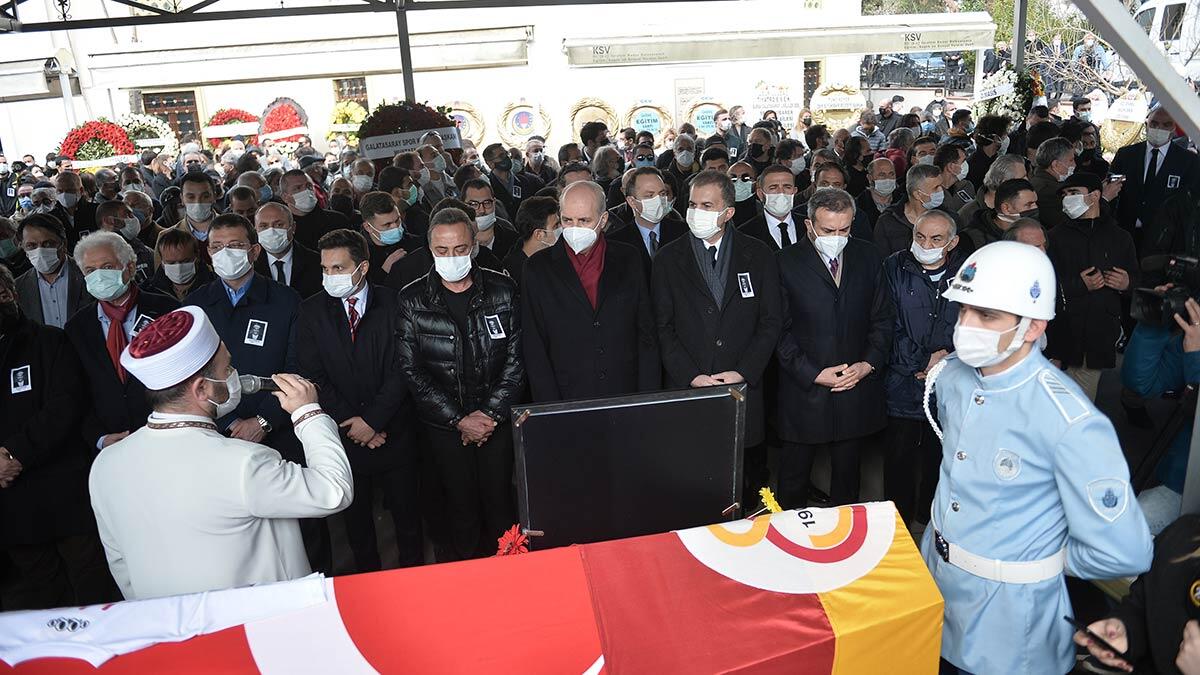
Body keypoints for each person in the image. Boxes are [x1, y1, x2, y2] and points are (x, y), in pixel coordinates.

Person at [921, 240, 1153, 675]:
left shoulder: (1069, 421)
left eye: (987, 315)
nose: (967, 325)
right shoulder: (953, 377)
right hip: (936, 590)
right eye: (964, 311)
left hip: (1009, 625)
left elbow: (1127, 552)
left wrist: (1043, 557)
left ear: (1032, 326)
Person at [89, 306, 352, 600]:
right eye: (227, 369)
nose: (235, 375)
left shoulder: (106, 464)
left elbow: (121, 562)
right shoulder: (244, 462)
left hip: (169, 627)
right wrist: (308, 412)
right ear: (201, 389)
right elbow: (334, 490)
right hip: (255, 626)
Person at [395, 208, 522, 561]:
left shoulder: (503, 289)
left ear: (474, 246)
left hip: (494, 423)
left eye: (460, 249)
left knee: (501, 504)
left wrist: (489, 415)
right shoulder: (412, 299)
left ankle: (511, 574)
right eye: (442, 251)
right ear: (430, 248)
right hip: (444, 428)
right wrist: (459, 419)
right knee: (458, 508)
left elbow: (516, 361)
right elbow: (412, 371)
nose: (452, 258)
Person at [297, 229, 422, 572]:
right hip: (346, 436)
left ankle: (414, 580)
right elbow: (313, 375)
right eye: (325, 269)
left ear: (363, 267)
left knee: (408, 518)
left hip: (395, 431)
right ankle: (368, 585)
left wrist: (374, 421)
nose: (330, 277)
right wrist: (354, 422)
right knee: (357, 525)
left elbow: (405, 367)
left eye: (338, 268)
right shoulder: (311, 311)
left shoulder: (395, 303)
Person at [651, 169, 782, 491]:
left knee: (743, 481)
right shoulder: (668, 258)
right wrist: (689, 374)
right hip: (689, 384)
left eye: (707, 206)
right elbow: (661, 325)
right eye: (692, 204)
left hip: (741, 384)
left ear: (728, 212)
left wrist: (744, 371)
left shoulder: (759, 254)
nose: (696, 213)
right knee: (692, 478)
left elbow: (771, 322)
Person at [0, 264, 118, 610]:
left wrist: (14, 453)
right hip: (11, 503)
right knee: (39, 594)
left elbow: (64, 407)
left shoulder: (52, 341)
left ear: (13, 294)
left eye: (3, 292)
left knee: (91, 584)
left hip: (62, 491)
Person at [776, 187, 894, 507]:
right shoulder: (783, 263)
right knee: (793, 479)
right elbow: (777, 332)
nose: (837, 236)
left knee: (848, 479)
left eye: (844, 229)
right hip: (804, 391)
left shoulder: (868, 256)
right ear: (809, 225)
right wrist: (814, 374)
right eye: (828, 230)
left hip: (853, 387)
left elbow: (883, 318)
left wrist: (867, 364)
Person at [521, 181, 659, 402]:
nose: (574, 228)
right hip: (567, 397)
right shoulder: (537, 269)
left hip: (626, 392)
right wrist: (550, 408)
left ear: (603, 220)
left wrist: (648, 397)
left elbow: (646, 333)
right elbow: (534, 345)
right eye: (567, 220)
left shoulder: (629, 258)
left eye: (584, 221)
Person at [882, 210, 964, 528]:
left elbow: (971, 323)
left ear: (953, 242)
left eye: (936, 239)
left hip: (949, 383)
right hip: (902, 382)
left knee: (938, 457)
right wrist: (921, 361)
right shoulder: (893, 266)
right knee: (899, 458)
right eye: (920, 236)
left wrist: (947, 356)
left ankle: (928, 516)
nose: (926, 244)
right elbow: (887, 323)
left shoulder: (967, 271)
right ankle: (896, 522)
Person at [65, 230, 179, 456]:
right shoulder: (77, 327)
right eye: (90, 270)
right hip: (110, 444)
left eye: (107, 267)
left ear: (130, 267)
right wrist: (99, 437)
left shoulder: (168, 311)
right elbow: (75, 391)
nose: (99, 275)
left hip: (167, 434)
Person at [1045, 172, 1136, 401]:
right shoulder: (1053, 237)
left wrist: (1127, 284)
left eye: (1074, 193)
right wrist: (1079, 285)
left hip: (1098, 336)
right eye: (1065, 194)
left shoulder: (1121, 237)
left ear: (1095, 196)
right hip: (1061, 337)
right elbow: (1042, 285)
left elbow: (1136, 281)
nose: (1067, 198)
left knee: (1082, 406)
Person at [1111, 106, 1200, 248]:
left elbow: (1191, 204)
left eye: (1166, 125)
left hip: (1165, 240)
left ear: (1174, 128)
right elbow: (1112, 192)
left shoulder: (1189, 161)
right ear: (1146, 125)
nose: (1159, 128)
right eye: (1154, 123)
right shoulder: (1126, 154)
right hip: (1125, 236)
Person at [608, 167, 685, 279]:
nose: (658, 200)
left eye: (662, 193)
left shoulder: (683, 233)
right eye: (649, 195)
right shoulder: (615, 242)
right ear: (632, 201)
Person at [14, 214, 87, 329]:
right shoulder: (19, 287)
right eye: (31, 245)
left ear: (64, 244)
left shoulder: (87, 274)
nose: (40, 250)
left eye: (48, 244)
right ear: (23, 248)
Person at [875, 163, 945, 255]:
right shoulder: (888, 221)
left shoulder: (946, 217)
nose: (941, 191)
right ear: (917, 194)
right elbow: (880, 259)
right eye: (936, 188)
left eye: (941, 186)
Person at [358, 191, 423, 286]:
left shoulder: (417, 244)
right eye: (387, 224)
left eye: (397, 220)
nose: (395, 227)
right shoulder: (359, 255)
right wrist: (384, 270)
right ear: (368, 227)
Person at [277, 169, 350, 252]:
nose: (306, 191)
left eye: (309, 186)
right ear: (284, 197)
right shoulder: (283, 231)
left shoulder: (338, 220)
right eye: (298, 188)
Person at [740, 164, 805, 253]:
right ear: (760, 194)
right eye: (773, 188)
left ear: (794, 191)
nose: (781, 192)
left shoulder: (810, 226)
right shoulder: (744, 233)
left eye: (787, 187)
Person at [961, 177, 1039, 250]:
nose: (1035, 208)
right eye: (1029, 204)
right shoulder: (972, 241)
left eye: (1035, 203)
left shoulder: (1036, 228)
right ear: (1006, 209)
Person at [142, 227, 215, 302]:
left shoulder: (215, 287)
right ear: (162, 262)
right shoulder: (148, 291)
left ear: (197, 256)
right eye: (171, 263)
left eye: (185, 261)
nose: (178, 267)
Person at [503, 196, 560, 287]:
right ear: (539, 234)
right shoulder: (514, 273)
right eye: (556, 226)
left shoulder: (556, 257)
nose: (561, 229)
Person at [94, 200, 154, 285]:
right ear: (109, 221)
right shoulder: (94, 256)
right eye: (128, 214)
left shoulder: (142, 249)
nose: (134, 218)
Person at [959, 154, 1027, 225]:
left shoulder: (1023, 207)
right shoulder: (968, 214)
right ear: (1005, 182)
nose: (1027, 181)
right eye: (1022, 178)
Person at [482, 143, 544, 220]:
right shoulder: (487, 186)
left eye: (507, 153)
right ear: (490, 163)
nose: (507, 157)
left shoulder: (526, 181)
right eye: (501, 156)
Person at [1029, 137, 1078, 230]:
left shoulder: (1039, 180)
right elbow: (1068, 223)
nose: (1074, 165)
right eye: (1071, 160)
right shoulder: (1049, 191)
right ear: (1056, 164)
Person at [462, 178, 519, 257]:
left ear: (494, 203)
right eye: (474, 204)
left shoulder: (513, 241)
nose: (482, 210)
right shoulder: (456, 245)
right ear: (463, 205)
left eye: (487, 203)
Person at [933, 144, 975, 215]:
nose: (966, 164)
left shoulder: (967, 186)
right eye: (963, 161)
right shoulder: (933, 194)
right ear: (950, 167)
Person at [856, 157, 897, 228]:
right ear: (870, 178)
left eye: (891, 174)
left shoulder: (903, 200)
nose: (887, 179)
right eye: (882, 175)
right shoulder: (859, 205)